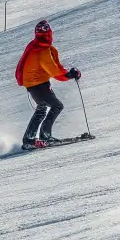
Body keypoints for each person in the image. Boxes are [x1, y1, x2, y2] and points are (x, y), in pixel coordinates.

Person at [15, 19, 81, 150]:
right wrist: (68, 75)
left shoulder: (33, 45)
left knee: (41, 109)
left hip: (31, 84)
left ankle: (29, 139)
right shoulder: (43, 50)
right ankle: (45, 136)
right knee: (57, 106)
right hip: (39, 83)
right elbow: (53, 69)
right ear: (50, 34)